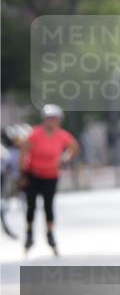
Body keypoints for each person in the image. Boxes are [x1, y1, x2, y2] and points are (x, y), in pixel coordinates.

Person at [20, 104, 80, 255]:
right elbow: (24, 151)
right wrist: (22, 173)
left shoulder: (62, 135)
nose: (51, 122)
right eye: (49, 119)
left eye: (54, 119)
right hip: (33, 174)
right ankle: (29, 233)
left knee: (48, 206)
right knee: (31, 206)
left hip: (51, 175)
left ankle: (50, 234)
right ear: (44, 120)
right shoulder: (35, 133)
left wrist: (65, 159)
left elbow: (74, 147)